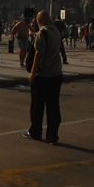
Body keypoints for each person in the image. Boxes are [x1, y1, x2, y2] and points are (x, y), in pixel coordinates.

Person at [23, 11, 63, 144]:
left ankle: (35, 132)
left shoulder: (42, 33)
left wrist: (32, 73)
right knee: (53, 106)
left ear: (38, 21)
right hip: (56, 74)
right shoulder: (56, 32)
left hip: (43, 75)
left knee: (37, 106)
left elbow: (38, 54)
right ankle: (52, 136)